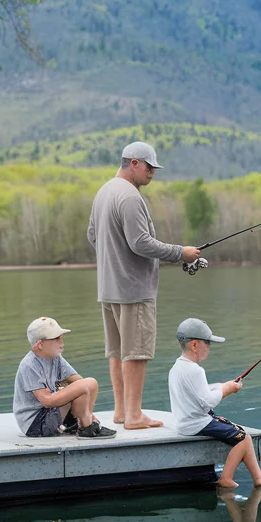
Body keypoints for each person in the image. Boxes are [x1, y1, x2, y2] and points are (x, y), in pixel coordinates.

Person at [88, 141, 202, 430]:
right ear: (134, 163)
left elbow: (92, 235)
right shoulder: (129, 197)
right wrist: (181, 253)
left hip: (109, 288)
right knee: (136, 353)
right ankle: (135, 416)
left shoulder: (104, 191)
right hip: (134, 290)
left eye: (155, 168)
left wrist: (114, 259)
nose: (153, 172)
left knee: (117, 351)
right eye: (149, 167)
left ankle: (121, 411)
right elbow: (140, 243)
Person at [167, 318, 261, 489]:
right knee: (243, 438)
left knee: (242, 434)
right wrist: (228, 390)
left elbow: (197, 392)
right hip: (197, 423)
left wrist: (222, 385)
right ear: (195, 345)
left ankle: (258, 478)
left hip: (185, 422)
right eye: (208, 343)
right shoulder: (196, 370)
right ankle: (226, 478)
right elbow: (207, 402)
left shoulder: (177, 368)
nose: (209, 348)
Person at [14, 317, 116, 439]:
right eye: (56, 338)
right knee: (85, 384)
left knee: (88, 384)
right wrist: (74, 390)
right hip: (37, 425)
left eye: (61, 337)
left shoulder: (55, 358)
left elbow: (77, 380)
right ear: (40, 344)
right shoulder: (29, 365)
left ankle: (82, 422)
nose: (61, 341)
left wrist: (87, 411)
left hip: (52, 414)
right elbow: (47, 401)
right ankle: (86, 427)